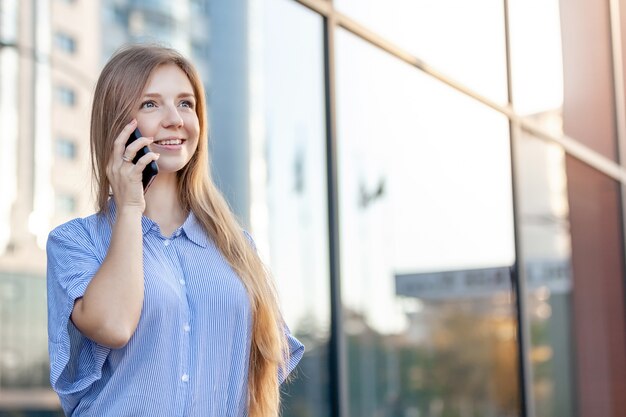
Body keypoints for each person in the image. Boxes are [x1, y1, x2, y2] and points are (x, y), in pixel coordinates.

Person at [46, 44, 304, 417]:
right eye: (150, 104)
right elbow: (114, 325)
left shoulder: (236, 247)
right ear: (118, 123)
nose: (175, 119)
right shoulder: (75, 242)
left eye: (185, 103)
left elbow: (262, 373)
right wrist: (131, 207)